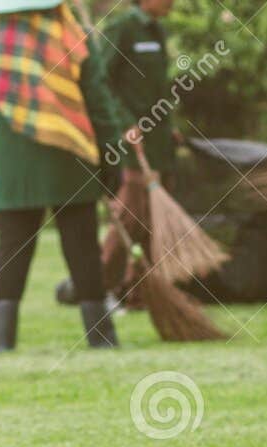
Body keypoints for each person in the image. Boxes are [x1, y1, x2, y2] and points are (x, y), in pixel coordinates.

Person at [0, 0, 133, 352]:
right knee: (83, 248)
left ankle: (1, 341)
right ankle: (102, 339)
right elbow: (98, 101)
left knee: (12, 249)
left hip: (14, 167)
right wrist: (111, 156)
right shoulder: (72, 36)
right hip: (71, 157)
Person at [95, 0, 177, 296]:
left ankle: (139, 292)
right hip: (130, 141)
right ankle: (97, 285)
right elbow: (101, 82)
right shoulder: (122, 28)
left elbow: (158, 88)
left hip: (159, 141)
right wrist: (125, 123)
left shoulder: (158, 31)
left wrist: (170, 126)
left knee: (155, 222)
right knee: (131, 216)